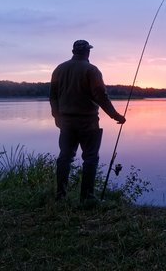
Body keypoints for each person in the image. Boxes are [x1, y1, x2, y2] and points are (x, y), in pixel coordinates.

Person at [50, 40, 126, 202]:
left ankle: (60, 196)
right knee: (90, 158)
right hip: (88, 122)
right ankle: (87, 198)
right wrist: (115, 116)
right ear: (87, 52)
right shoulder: (91, 70)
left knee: (65, 157)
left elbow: (53, 96)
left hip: (66, 121)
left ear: (73, 51)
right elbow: (101, 96)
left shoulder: (59, 69)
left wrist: (57, 116)